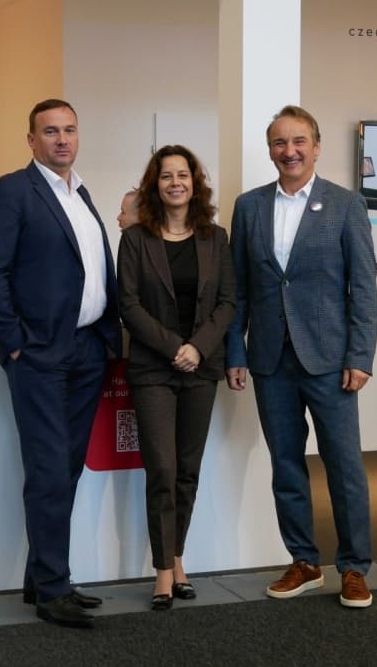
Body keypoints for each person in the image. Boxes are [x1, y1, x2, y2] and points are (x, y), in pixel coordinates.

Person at [0, 99, 121, 628]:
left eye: (69, 130)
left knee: (67, 467)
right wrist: (14, 342)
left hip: (87, 350)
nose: (62, 139)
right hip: (39, 354)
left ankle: (44, 577)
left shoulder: (80, 193)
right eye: (51, 131)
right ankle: (53, 587)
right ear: (31, 140)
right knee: (49, 468)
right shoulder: (12, 191)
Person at [224, 105, 377, 609]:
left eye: (298, 142)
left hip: (331, 360)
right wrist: (235, 350)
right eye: (279, 142)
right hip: (270, 361)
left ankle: (353, 568)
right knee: (286, 465)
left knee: (344, 467)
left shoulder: (346, 205)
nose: (288, 151)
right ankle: (304, 562)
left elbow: (363, 289)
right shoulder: (248, 207)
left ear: (316, 147)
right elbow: (238, 291)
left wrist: (361, 355)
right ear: (270, 149)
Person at [117, 145, 235, 611]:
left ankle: (178, 558)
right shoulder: (136, 239)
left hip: (201, 367)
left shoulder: (215, 238)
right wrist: (174, 348)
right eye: (166, 176)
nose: (175, 183)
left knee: (188, 469)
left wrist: (198, 347)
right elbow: (128, 305)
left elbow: (227, 302)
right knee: (162, 469)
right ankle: (163, 571)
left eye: (182, 175)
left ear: (194, 182)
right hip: (153, 368)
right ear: (155, 184)